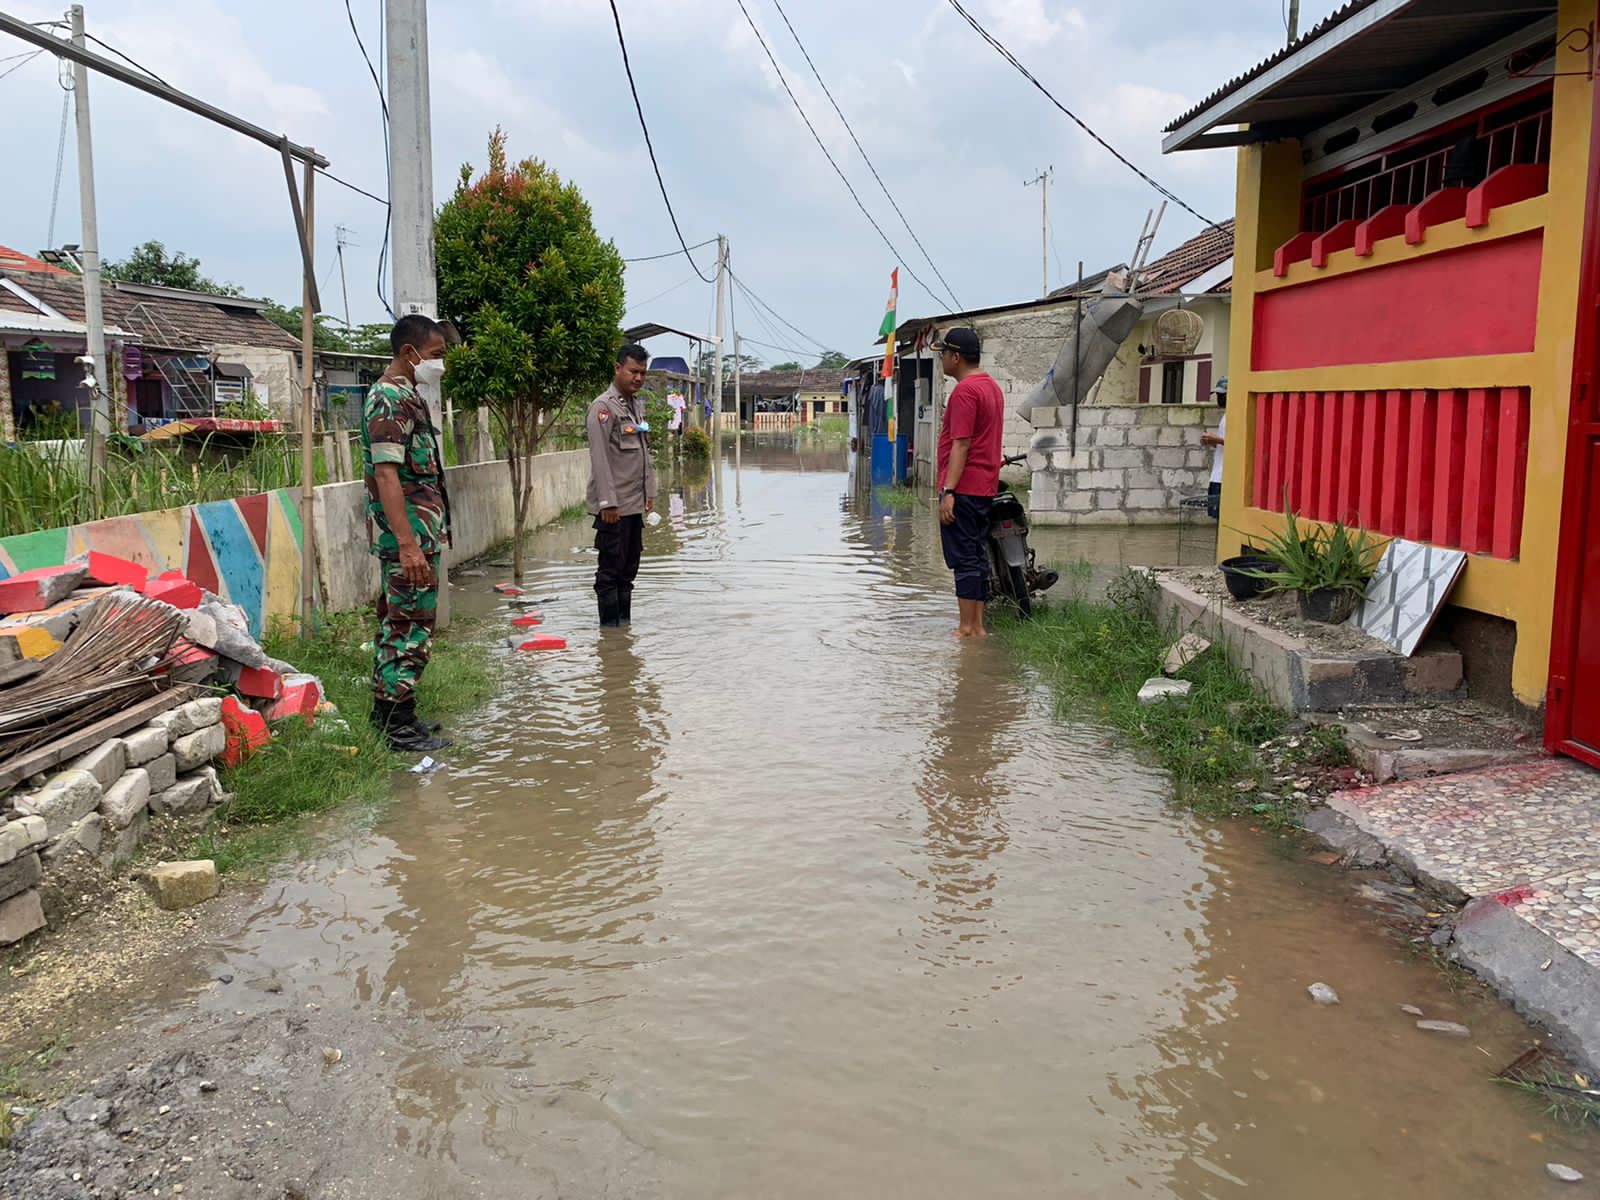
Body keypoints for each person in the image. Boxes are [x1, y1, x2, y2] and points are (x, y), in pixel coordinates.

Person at [361, 314, 452, 752]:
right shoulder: (389, 399)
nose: (440, 365)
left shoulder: (407, 395)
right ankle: (397, 728)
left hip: (420, 534)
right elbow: (386, 474)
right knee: (409, 627)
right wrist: (408, 544)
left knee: (401, 623)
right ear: (408, 353)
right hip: (409, 540)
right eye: (435, 356)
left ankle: (396, 715)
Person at [934, 326, 1005, 638]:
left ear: (956, 357)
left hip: (963, 488)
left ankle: (966, 628)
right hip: (984, 488)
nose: (942, 360)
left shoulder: (965, 391)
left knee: (964, 558)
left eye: (944, 354)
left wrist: (949, 491)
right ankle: (978, 627)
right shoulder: (991, 387)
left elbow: (961, 444)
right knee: (976, 555)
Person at [587, 344, 657, 627]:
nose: (638, 378)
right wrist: (608, 503)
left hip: (633, 505)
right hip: (613, 508)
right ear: (618, 369)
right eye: (633, 371)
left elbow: (644, 453)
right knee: (610, 573)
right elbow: (600, 458)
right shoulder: (603, 408)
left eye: (643, 373)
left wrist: (649, 492)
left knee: (628, 571)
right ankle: (610, 635)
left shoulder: (635, 406)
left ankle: (623, 632)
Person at [1202, 378, 1228, 519]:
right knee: (1217, 516)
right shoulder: (1225, 415)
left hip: (1226, 477)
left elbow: (1239, 443)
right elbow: (1224, 443)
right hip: (1217, 475)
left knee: (1223, 516)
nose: (1219, 398)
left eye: (1222, 395)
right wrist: (1211, 441)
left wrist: (1216, 439)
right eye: (1217, 395)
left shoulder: (1237, 414)